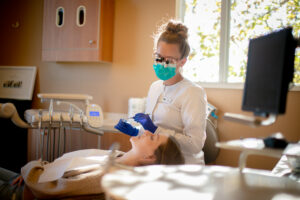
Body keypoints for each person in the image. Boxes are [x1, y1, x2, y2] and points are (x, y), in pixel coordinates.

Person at [114, 19, 208, 164]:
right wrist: (136, 131)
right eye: (159, 58)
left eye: (169, 60)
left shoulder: (193, 93)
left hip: (183, 166)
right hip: (156, 163)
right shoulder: (155, 87)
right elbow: (153, 138)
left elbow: (195, 145)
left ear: (183, 61)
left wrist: (155, 129)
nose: (162, 64)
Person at [0, 131, 184, 200]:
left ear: (150, 157)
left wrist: (30, 170)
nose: (146, 132)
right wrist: (39, 169)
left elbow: (52, 189)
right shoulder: (117, 157)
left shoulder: (110, 177)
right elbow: (66, 167)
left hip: (23, 189)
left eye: (152, 137)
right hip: (30, 177)